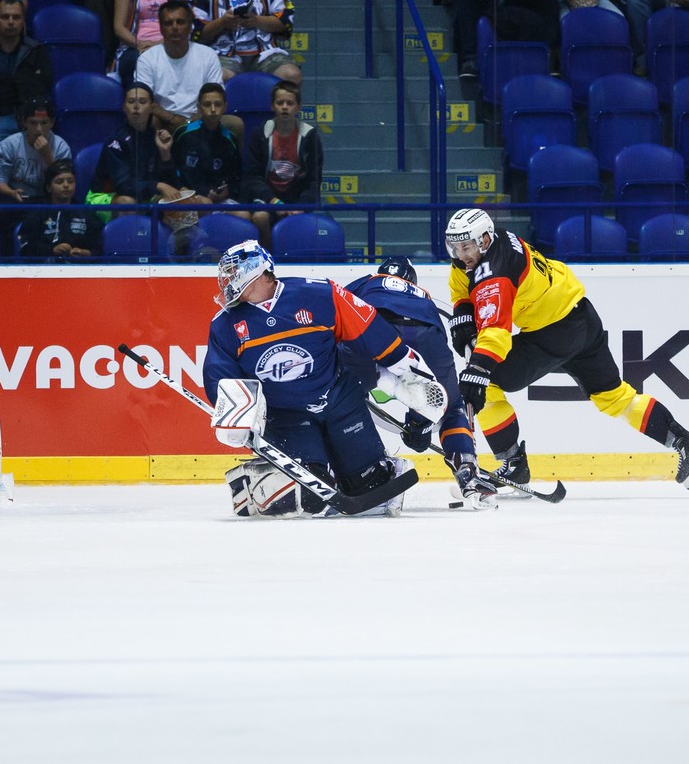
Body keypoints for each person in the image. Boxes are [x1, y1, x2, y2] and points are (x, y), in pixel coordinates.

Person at [444, 208, 689, 490]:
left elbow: (496, 333)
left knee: (487, 384)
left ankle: (514, 465)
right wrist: (463, 315)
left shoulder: (495, 273)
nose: (462, 254)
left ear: (484, 240)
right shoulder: (492, 242)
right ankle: (683, 440)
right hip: (582, 316)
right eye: (456, 246)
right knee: (614, 396)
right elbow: (463, 286)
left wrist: (477, 370)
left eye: (466, 246)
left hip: (552, 334)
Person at [202, 240, 443, 517]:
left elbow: (371, 331)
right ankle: (259, 484)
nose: (227, 281)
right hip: (286, 415)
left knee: (368, 483)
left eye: (233, 273)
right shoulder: (224, 324)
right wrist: (237, 416)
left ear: (255, 270)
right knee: (308, 495)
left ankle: (381, 467)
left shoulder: (320, 294)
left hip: (339, 399)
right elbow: (219, 377)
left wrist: (405, 370)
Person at [342, 258, 497, 510]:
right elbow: (437, 344)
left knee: (339, 398)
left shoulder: (368, 282)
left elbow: (338, 307)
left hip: (376, 327)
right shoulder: (423, 297)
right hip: (427, 334)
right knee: (452, 407)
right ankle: (468, 472)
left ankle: (359, 467)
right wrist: (420, 423)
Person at [0, 0, 54, 162]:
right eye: (5, 17)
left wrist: (0, 83)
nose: (11, 22)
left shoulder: (37, 51)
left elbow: (42, 89)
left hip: (31, 120)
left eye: (16, 17)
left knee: (52, 154)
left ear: (23, 22)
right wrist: (21, 84)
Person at [242, 80, 322, 246]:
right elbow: (252, 177)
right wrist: (273, 201)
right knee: (260, 217)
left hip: (297, 197)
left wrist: (301, 206)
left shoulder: (310, 136)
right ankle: (270, 253)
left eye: (290, 103)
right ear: (272, 106)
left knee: (302, 218)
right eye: (280, 103)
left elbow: (314, 180)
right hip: (268, 197)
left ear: (298, 106)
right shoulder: (260, 134)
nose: (285, 107)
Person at [134, 1, 224, 135]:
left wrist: (195, 120)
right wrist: (173, 119)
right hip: (164, 121)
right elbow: (144, 100)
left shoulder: (208, 55)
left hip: (202, 120)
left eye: (180, 22)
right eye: (168, 23)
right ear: (161, 28)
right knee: (147, 120)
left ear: (190, 26)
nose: (175, 27)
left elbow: (217, 96)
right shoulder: (146, 59)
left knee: (235, 124)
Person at [89, 82, 182, 209]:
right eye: (131, 101)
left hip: (143, 195)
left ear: (152, 108)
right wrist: (158, 186)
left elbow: (172, 184)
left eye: (142, 102)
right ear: (123, 107)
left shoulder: (156, 137)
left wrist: (165, 154)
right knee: (127, 203)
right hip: (106, 196)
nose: (136, 107)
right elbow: (123, 186)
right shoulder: (115, 141)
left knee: (180, 202)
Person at [172, 82, 246, 213]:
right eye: (207, 105)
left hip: (218, 200)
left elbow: (236, 177)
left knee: (244, 216)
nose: (212, 109)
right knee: (205, 205)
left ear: (225, 107)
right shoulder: (183, 134)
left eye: (217, 104)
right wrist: (181, 188)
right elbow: (171, 168)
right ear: (199, 108)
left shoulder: (230, 140)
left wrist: (225, 192)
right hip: (188, 198)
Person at [197, 0, 302, 85]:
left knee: (291, 75)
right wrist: (222, 22)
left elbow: (286, 21)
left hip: (265, 53)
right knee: (217, 77)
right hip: (222, 54)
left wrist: (256, 20)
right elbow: (198, 33)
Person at [17, 158, 103, 259]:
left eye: (70, 181)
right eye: (59, 182)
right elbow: (25, 247)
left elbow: (99, 249)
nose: (66, 185)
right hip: (44, 269)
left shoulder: (86, 213)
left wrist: (85, 253)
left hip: (79, 269)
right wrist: (51, 250)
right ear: (49, 187)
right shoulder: (37, 213)